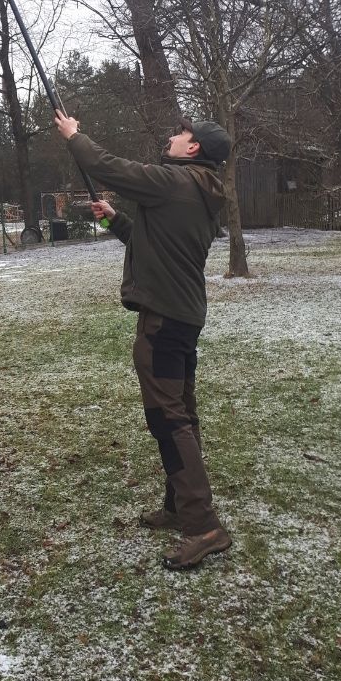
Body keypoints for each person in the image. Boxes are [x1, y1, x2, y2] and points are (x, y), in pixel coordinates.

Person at [52, 107, 231, 572]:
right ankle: (179, 508)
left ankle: (204, 527)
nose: (174, 136)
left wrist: (75, 135)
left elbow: (109, 167)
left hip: (164, 323)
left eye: (182, 133)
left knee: (168, 419)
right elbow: (154, 244)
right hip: (183, 317)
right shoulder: (200, 194)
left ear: (193, 148)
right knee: (182, 413)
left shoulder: (176, 182)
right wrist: (115, 220)